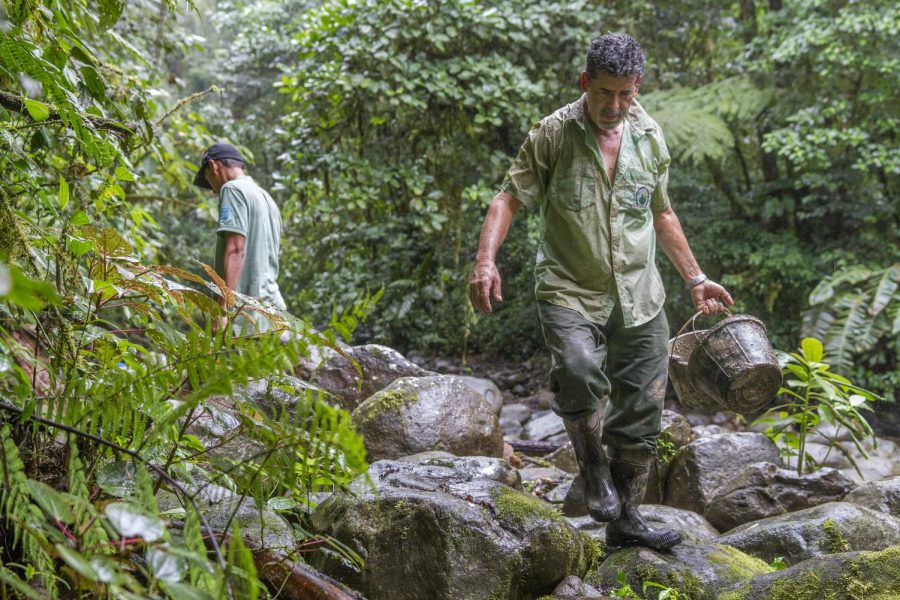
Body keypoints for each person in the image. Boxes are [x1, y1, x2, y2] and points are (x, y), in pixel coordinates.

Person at [468, 33, 733, 551]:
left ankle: (627, 519)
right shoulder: (552, 135)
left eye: (626, 95)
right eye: (604, 93)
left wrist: (696, 279)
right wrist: (485, 261)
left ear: (637, 89)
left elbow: (662, 212)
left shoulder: (650, 137)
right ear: (585, 82)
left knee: (643, 405)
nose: (614, 106)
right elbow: (507, 199)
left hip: (640, 291)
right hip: (569, 288)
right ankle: (592, 469)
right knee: (579, 370)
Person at [194, 142, 286, 331]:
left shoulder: (232, 190)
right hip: (273, 312)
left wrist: (222, 309)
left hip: (246, 318)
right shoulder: (266, 198)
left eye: (208, 180)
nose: (213, 190)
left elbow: (236, 249)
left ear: (213, 166)